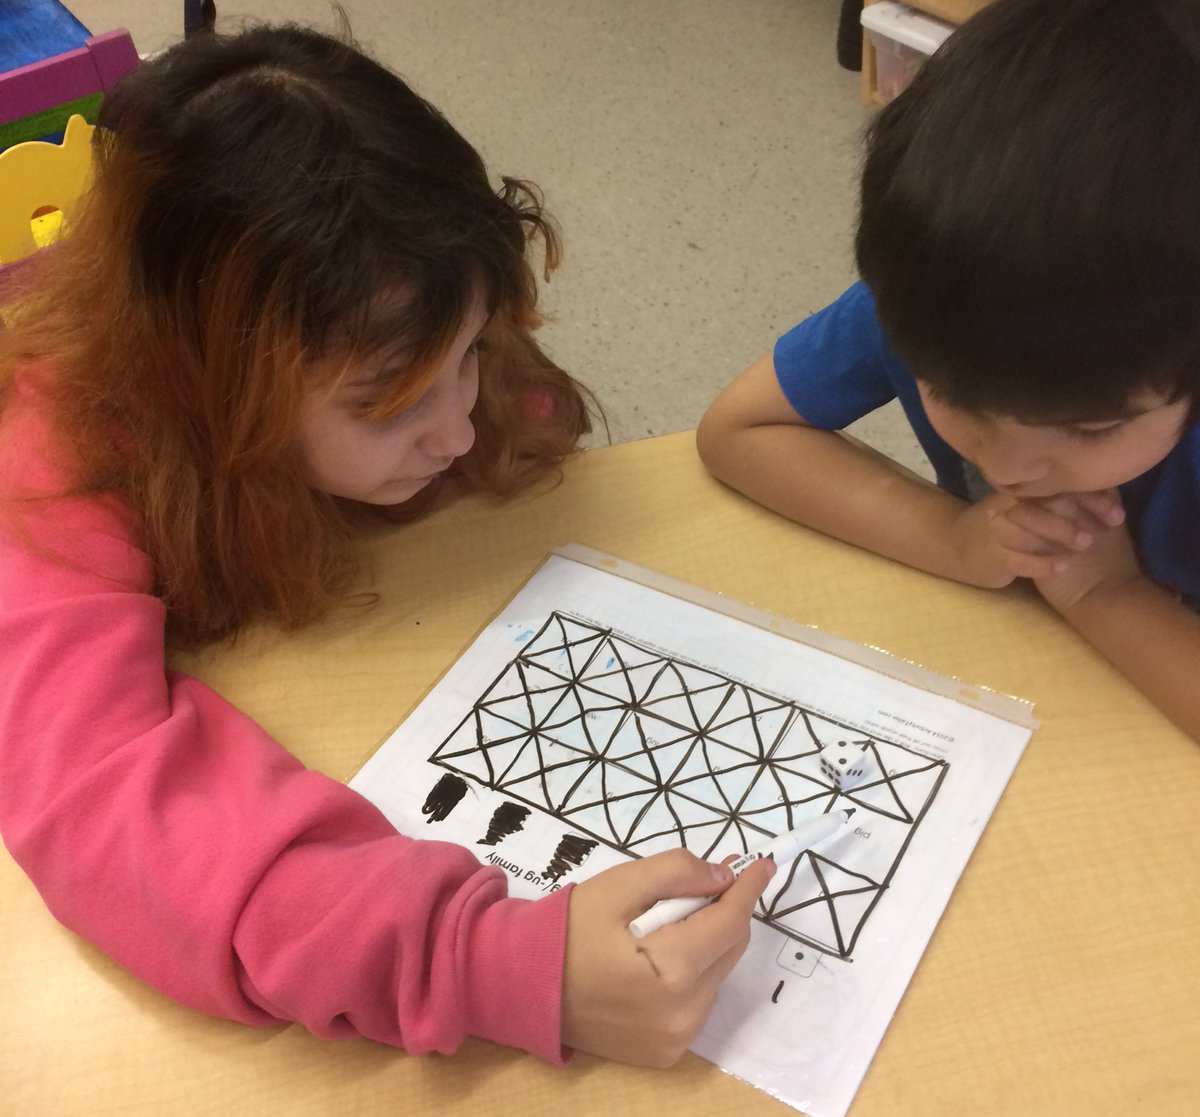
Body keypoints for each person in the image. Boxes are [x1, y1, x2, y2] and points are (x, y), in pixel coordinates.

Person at [0, 25, 772, 1067]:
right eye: (388, 403)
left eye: (470, 351)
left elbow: (520, 432)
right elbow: (106, 809)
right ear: (213, 378)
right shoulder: (56, 456)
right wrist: (485, 959)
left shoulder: (418, 327)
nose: (454, 430)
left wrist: (453, 393)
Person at [697, 0, 1200, 739]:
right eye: (956, 396)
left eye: (1092, 428)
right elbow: (738, 430)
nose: (1009, 467)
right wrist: (955, 539)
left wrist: (1107, 592)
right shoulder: (943, 306)